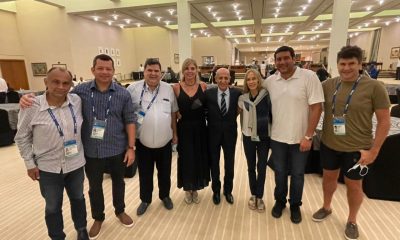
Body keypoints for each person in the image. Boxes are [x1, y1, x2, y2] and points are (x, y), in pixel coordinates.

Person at [21, 54, 136, 239]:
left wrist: (131, 147)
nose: (104, 72)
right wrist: (28, 98)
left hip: (117, 148)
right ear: (93, 70)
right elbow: (54, 94)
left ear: (114, 71)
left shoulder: (123, 93)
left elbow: (130, 120)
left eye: (108, 69)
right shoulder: (79, 92)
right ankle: (98, 218)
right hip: (90, 151)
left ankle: (120, 210)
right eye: (100, 68)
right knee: (94, 188)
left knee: (119, 183)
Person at [312, 46, 390, 240]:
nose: (346, 68)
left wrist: (374, 150)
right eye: (342, 64)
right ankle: (326, 207)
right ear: (337, 65)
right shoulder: (328, 85)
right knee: (328, 179)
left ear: (360, 64)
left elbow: (384, 121)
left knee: (354, 186)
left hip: (357, 148)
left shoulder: (374, 87)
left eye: (351, 64)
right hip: (329, 144)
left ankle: (352, 220)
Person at [15, 67, 89, 240]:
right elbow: (22, 137)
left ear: (71, 85)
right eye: (55, 82)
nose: (61, 87)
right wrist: (29, 164)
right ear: (46, 82)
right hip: (48, 168)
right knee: (53, 206)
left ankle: (81, 229)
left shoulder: (77, 100)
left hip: (76, 163)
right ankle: (56, 236)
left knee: (78, 198)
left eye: (66, 83)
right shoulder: (31, 106)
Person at [262, 46, 324, 224]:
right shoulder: (271, 81)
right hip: (277, 137)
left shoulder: (309, 77)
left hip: (300, 138)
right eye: (278, 59)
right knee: (279, 173)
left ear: (293, 58)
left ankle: (295, 204)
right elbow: (254, 91)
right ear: (275, 61)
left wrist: (308, 136)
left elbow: (316, 107)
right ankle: (280, 202)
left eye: (285, 58)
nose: (282, 62)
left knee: (297, 174)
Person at [127, 58, 178, 216]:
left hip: (165, 141)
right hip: (143, 142)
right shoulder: (132, 89)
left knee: (165, 173)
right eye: (150, 70)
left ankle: (165, 196)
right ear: (144, 71)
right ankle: (145, 200)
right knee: (145, 174)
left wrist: (175, 134)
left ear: (161, 73)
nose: (153, 73)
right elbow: (127, 116)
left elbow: (173, 112)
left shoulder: (168, 89)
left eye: (156, 71)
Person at [172, 58, 209, 204]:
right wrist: (174, 133)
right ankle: (188, 188)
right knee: (186, 158)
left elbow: (208, 108)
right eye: (187, 68)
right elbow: (173, 113)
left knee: (198, 158)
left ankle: (196, 188)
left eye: (192, 68)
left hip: (200, 128)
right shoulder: (176, 88)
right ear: (183, 70)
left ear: (196, 70)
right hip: (184, 128)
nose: (190, 71)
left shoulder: (204, 86)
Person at [205, 67, 241, 205]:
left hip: (230, 134)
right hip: (212, 134)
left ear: (230, 79)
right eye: (220, 78)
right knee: (214, 163)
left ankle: (228, 191)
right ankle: (216, 190)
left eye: (226, 78)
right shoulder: (208, 93)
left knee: (229, 163)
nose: (223, 80)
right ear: (215, 79)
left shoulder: (237, 93)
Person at [238, 69, 272, 213]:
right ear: (246, 82)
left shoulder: (267, 96)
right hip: (248, 136)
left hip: (264, 137)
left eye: (254, 79)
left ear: (259, 80)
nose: (251, 81)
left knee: (262, 167)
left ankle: (260, 196)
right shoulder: (242, 99)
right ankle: (253, 194)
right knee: (251, 167)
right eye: (248, 79)